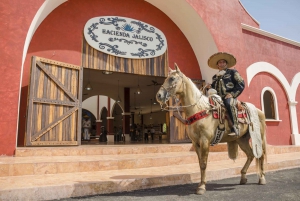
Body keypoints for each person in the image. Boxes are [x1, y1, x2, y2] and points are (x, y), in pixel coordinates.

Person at [207, 52, 245, 136]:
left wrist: (232, 94)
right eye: (220, 62)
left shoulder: (233, 72)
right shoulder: (215, 77)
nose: (222, 63)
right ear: (217, 65)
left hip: (229, 96)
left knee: (228, 103)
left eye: (224, 62)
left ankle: (235, 127)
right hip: (217, 97)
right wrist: (209, 87)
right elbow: (214, 88)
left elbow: (241, 84)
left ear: (226, 64)